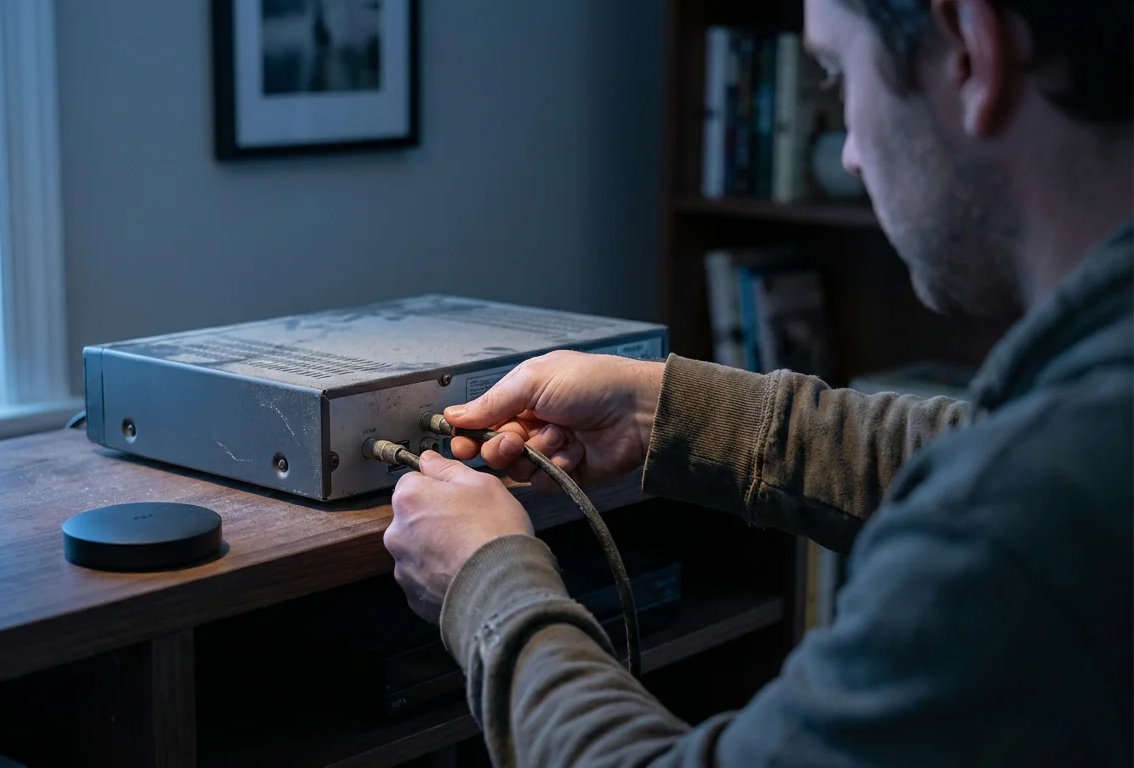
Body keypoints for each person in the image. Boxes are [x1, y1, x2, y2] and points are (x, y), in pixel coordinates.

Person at [383, 0, 1133, 764]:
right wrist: (662, 411)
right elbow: (972, 448)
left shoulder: (1022, 521)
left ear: (970, 50)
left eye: (839, 77)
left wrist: (486, 587)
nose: (849, 155)